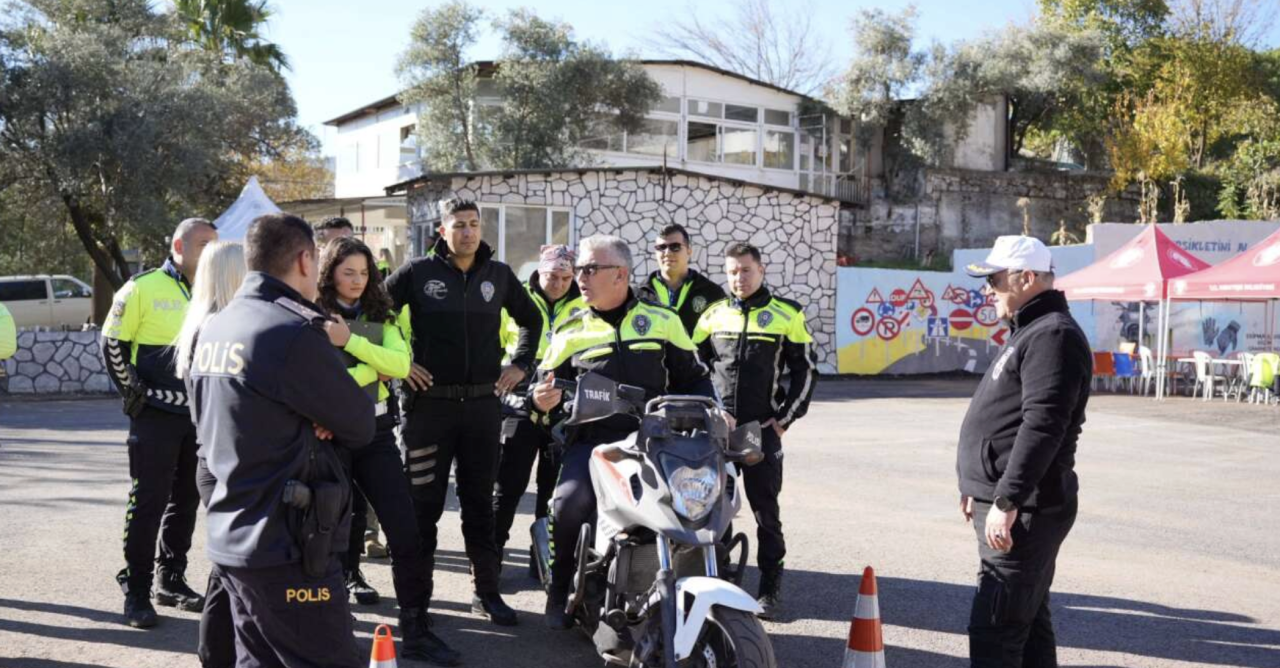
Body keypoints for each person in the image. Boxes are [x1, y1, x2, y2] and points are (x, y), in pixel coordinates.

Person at [188, 213, 373, 668]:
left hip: (235, 537)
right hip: (287, 544)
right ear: (305, 260)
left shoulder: (216, 327)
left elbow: (210, 424)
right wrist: (315, 416)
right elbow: (359, 423)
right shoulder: (291, 331)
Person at [530, 234, 717, 630]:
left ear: (621, 274)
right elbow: (541, 385)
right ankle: (560, 588)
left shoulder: (663, 321)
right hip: (594, 446)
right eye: (580, 268)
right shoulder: (570, 327)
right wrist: (541, 400)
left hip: (658, 443)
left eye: (590, 269)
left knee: (704, 502)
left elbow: (696, 379)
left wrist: (717, 413)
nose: (580, 276)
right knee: (567, 505)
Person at [385, 197, 542, 631]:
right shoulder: (417, 273)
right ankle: (417, 604)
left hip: (481, 409)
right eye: (459, 225)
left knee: (479, 506)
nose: (469, 232)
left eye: (474, 224)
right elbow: (372, 312)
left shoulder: (500, 275)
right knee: (423, 509)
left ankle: (486, 593)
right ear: (441, 229)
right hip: (428, 409)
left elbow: (532, 320)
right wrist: (398, 363)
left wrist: (520, 364)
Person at [317, 236, 458, 665]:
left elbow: (399, 366)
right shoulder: (314, 313)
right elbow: (314, 374)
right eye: (348, 273)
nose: (358, 281)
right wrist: (370, 364)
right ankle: (333, 630)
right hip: (328, 437)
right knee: (331, 538)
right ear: (330, 273)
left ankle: (415, 627)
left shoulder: (382, 313)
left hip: (376, 434)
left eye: (364, 272)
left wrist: (350, 343)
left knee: (406, 531)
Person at [958, 235, 1091, 667]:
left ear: (1027, 278)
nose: (988, 290)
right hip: (1011, 502)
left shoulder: (1052, 335)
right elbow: (1011, 420)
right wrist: (976, 485)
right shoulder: (1031, 330)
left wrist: (1006, 497)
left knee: (996, 630)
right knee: (1028, 625)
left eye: (995, 280)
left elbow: (1043, 425)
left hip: (1026, 509)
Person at [101, 217, 218, 628]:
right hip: (154, 417)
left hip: (200, 417)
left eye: (215, 245)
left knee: (186, 500)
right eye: (205, 244)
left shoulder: (217, 291)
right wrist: (134, 397)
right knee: (148, 501)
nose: (211, 253)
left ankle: (171, 580)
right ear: (178, 246)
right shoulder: (141, 286)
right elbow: (112, 341)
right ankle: (136, 590)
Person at [691, 242, 817, 619]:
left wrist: (784, 419)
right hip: (716, 432)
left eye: (745, 270)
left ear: (760, 271)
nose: (738, 278)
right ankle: (723, 583)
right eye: (732, 272)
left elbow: (806, 371)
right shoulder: (713, 315)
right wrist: (705, 412)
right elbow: (692, 367)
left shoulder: (786, 314)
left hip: (760, 430)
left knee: (766, 512)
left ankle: (769, 586)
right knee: (714, 512)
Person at [174, 240, 247, 668]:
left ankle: (217, 654)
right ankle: (216, 654)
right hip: (225, 463)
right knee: (232, 568)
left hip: (212, 459)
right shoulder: (223, 329)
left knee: (229, 565)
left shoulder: (198, 324)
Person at [492, 245, 586, 573]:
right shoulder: (516, 299)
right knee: (506, 488)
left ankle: (542, 561)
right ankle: (490, 563)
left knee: (553, 492)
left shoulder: (584, 304)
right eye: (551, 276)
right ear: (539, 272)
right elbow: (494, 346)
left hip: (563, 405)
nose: (558, 283)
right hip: (516, 401)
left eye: (565, 277)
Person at [636, 223, 726, 335]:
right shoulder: (638, 295)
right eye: (662, 247)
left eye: (675, 247)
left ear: (689, 251)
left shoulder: (712, 293)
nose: (667, 253)